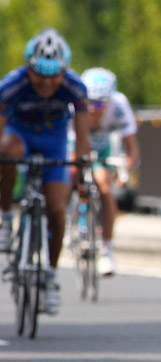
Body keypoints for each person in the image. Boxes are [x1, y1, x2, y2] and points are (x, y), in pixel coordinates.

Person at [0, 27, 90, 315]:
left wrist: (83, 165)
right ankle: (4, 218)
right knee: (6, 153)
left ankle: (50, 277)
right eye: (40, 74)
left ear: (64, 71)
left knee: (56, 208)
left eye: (54, 74)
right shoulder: (11, 85)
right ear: (29, 68)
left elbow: (83, 135)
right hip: (19, 135)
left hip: (54, 143)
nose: (47, 82)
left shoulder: (76, 88)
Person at [69, 67, 139, 276]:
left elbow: (132, 148)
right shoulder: (74, 107)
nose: (93, 109)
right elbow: (68, 146)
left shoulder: (119, 106)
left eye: (99, 104)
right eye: (89, 103)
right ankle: (67, 219)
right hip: (76, 144)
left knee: (105, 188)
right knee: (70, 176)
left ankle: (107, 249)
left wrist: (124, 171)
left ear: (110, 101)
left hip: (103, 149)